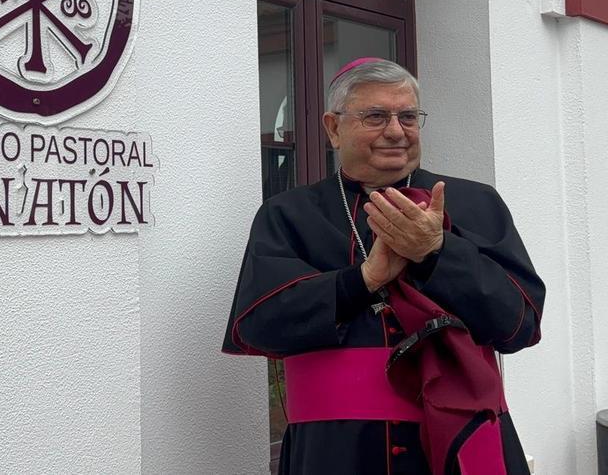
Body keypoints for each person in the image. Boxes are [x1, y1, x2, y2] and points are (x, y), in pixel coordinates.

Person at [222, 58, 544, 475]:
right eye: (375, 116)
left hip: (461, 445)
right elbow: (259, 325)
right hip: (336, 453)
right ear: (333, 128)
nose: (396, 131)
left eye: (407, 117)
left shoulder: (477, 203)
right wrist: (362, 280)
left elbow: (520, 325)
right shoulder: (288, 215)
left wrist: (436, 252)